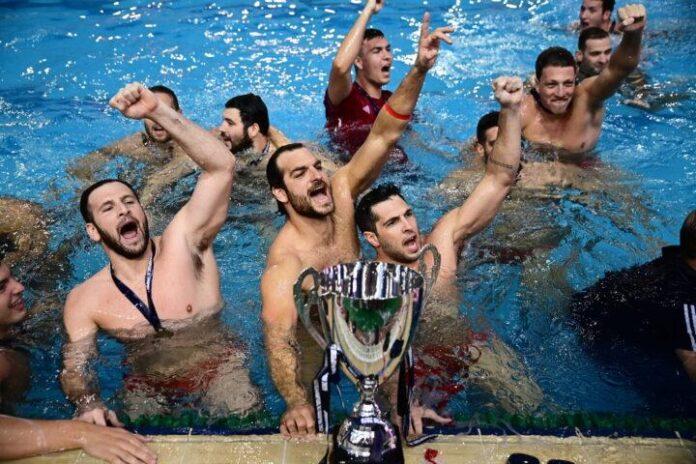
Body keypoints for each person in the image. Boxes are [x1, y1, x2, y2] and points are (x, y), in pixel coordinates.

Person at [261, 13, 453, 438]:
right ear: (281, 194)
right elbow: (279, 338)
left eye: (316, 166)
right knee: (315, 407)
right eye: (300, 174)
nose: (317, 176)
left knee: (406, 407)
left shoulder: (343, 193)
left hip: (366, 319)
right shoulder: (286, 262)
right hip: (317, 337)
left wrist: (420, 69)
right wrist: (294, 401)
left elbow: (384, 135)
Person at [60, 83, 259, 425]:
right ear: (93, 231)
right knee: (130, 430)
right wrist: (87, 402)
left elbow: (221, 167)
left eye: (129, 202)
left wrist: (157, 111)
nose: (123, 210)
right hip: (146, 382)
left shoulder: (184, 242)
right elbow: (75, 367)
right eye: (108, 208)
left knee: (242, 412)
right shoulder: (84, 300)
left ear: (143, 211)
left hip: (218, 366)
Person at [355, 77, 543, 416]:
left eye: (408, 214)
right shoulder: (370, 286)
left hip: (467, 344)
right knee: (401, 422)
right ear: (373, 239)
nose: (408, 226)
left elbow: (499, 179)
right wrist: (399, 404)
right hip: (414, 363)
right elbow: (367, 358)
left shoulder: (438, 246)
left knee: (531, 407)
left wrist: (510, 110)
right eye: (393, 222)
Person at [0, 259, 157, 464]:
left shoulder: (25, 322)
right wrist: (83, 434)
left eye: (12, 277)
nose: (20, 287)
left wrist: (86, 400)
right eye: (2, 287)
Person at [570, 209, 696, 382]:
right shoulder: (685, 301)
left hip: (599, 300)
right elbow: (692, 362)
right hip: (597, 332)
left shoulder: (681, 258)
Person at [521, 4, 646, 156]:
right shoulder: (523, 109)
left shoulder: (586, 98)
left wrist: (633, 35)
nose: (561, 93)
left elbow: (619, 70)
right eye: (551, 84)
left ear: (575, 79)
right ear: (537, 84)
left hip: (586, 167)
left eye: (568, 83)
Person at [68, 85, 195, 203]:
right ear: (142, 115)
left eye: (164, 112)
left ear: (179, 114)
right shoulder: (133, 144)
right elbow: (77, 169)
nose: (158, 120)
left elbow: (157, 182)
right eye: (151, 112)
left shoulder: (191, 146)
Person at [324, 0, 407, 162]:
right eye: (377, 51)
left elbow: (417, 139)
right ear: (359, 61)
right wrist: (368, 10)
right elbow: (340, 67)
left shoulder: (391, 100)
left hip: (401, 170)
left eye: (388, 49)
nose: (387, 56)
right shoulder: (346, 97)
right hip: (355, 171)